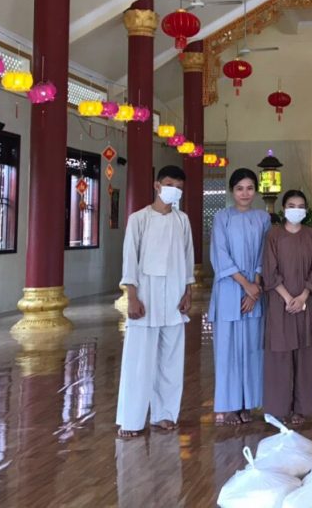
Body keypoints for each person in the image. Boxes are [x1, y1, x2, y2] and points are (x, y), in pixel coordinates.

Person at [116, 165, 194, 438]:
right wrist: (132, 296)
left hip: (174, 297)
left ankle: (164, 414)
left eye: (179, 187)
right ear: (157, 185)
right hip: (145, 297)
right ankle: (131, 420)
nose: (174, 190)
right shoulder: (138, 219)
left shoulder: (182, 220)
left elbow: (188, 258)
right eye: (170, 184)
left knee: (171, 361)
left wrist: (188, 292)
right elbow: (130, 259)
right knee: (139, 361)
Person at [208, 168, 270, 426]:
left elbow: (266, 253)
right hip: (229, 289)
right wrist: (246, 285)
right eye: (239, 188)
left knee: (253, 350)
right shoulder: (221, 218)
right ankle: (229, 405)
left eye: (250, 188)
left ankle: (248, 404)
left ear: (256, 191)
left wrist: (255, 287)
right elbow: (220, 254)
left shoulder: (263, 218)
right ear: (232, 191)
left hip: (255, 290)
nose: (245, 193)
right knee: (227, 350)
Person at [263, 190, 312, 426]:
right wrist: (288, 298)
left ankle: (301, 408)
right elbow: (269, 270)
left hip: (304, 302)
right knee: (280, 352)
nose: (296, 210)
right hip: (281, 302)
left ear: (305, 210)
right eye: (291, 205)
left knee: (304, 353)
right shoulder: (273, 235)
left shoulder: (311, 235)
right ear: (283, 209)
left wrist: (304, 296)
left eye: (300, 206)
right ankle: (279, 408)